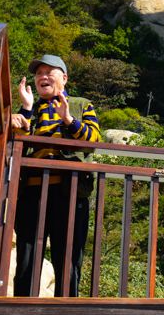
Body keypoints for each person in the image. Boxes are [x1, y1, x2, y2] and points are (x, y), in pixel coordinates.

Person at [11, 54, 101, 297]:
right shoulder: (32, 107)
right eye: (39, 73)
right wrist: (26, 109)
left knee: (69, 257)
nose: (43, 77)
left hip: (70, 192)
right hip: (32, 190)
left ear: (64, 78)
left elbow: (92, 141)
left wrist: (68, 120)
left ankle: (65, 313)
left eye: (49, 72)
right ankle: (21, 313)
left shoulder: (82, 104)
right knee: (27, 256)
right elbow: (17, 141)